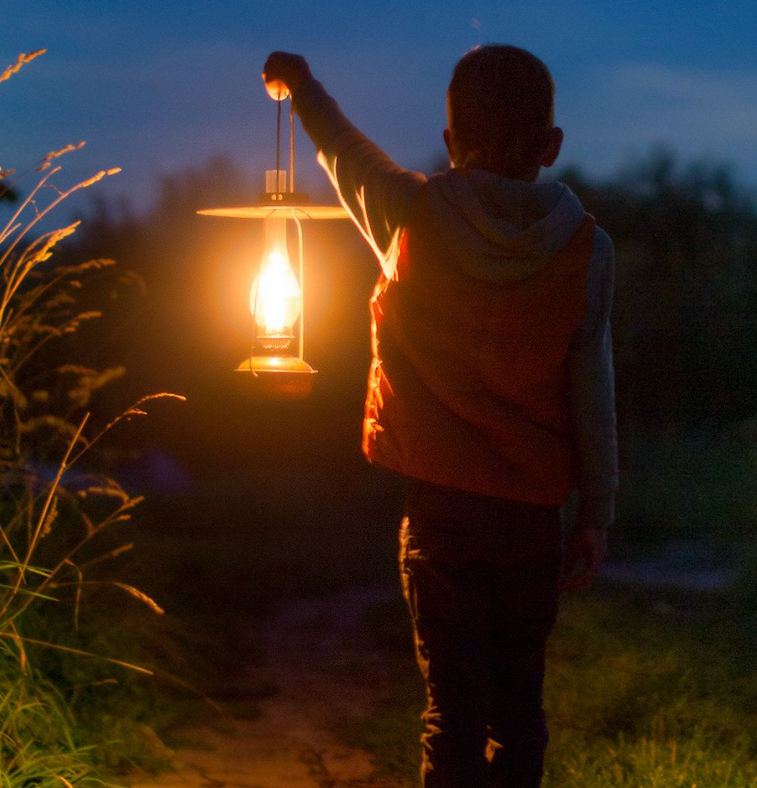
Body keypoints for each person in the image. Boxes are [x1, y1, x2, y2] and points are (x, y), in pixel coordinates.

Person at [262, 45, 618, 788]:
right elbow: (593, 389)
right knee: (519, 708)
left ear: (452, 142)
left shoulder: (410, 214)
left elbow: (342, 150)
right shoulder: (588, 250)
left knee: (451, 714)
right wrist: (596, 513)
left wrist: (301, 85)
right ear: (552, 146)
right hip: (534, 517)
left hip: (442, 513)